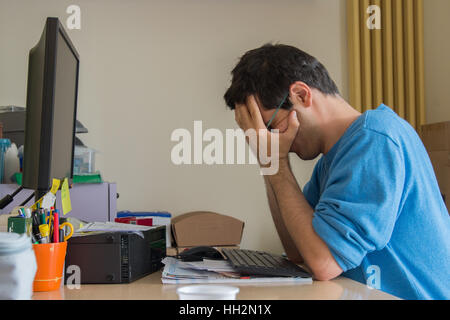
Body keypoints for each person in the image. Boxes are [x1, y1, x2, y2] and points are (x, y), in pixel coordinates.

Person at [223, 43, 450, 300]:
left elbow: (324, 263)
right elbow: (299, 250)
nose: (271, 140)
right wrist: (269, 162)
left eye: (271, 127)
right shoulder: (333, 160)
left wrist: (276, 161)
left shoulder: (375, 139)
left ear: (301, 94)